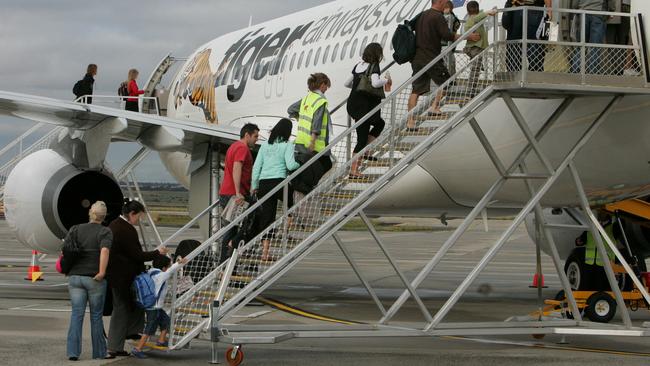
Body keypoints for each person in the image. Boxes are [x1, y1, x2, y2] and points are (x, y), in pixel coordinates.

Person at [106, 199, 169, 358]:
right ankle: (114, 346)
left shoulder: (114, 225)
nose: (138, 221)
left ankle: (130, 334)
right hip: (123, 278)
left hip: (117, 276)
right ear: (132, 214)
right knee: (121, 310)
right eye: (138, 217)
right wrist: (157, 253)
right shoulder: (125, 229)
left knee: (132, 306)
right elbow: (137, 255)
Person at [407, 0, 473, 129]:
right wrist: (467, 36)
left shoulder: (422, 15)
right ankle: (434, 107)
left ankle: (410, 121)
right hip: (431, 58)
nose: (446, 4)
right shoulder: (437, 16)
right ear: (440, 2)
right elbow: (447, 35)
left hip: (418, 58)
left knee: (416, 90)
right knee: (448, 83)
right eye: (445, 2)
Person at [65, 201, 113, 361]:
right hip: (93, 278)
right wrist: (101, 272)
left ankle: (73, 352)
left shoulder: (76, 229)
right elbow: (104, 251)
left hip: (75, 276)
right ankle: (99, 352)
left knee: (76, 315)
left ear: (90, 213)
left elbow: (66, 249)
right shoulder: (105, 232)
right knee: (96, 316)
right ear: (104, 216)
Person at [252, 118, 301, 261]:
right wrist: (300, 164)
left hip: (263, 184)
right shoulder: (287, 145)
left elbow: (256, 168)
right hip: (279, 182)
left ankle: (265, 253)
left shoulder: (265, 145)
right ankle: (285, 229)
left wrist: (254, 186)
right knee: (293, 204)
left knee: (267, 218)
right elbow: (291, 165)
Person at [344, 43, 391, 177]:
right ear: (377, 54)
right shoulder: (374, 66)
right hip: (364, 106)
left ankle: (365, 151)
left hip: (354, 104)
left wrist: (359, 86)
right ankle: (354, 170)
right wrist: (386, 80)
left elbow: (347, 84)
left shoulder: (358, 66)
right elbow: (376, 83)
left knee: (379, 123)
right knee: (362, 139)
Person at [218, 123, 260, 264]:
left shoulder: (233, 146)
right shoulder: (242, 148)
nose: (257, 139)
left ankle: (228, 264)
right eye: (255, 136)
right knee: (255, 213)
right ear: (247, 135)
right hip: (234, 195)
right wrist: (237, 192)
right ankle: (224, 264)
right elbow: (237, 168)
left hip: (228, 193)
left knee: (232, 228)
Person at [131, 255, 182, 359]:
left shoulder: (150, 272)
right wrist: (180, 263)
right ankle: (138, 349)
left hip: (153, 306)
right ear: (163, 268)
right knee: (150, 327)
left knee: (166, 320)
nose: (168, 267)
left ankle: (161, 341)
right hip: (154, 306)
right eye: (168, 266)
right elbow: (170, 271)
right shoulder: (161, 275)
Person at [288, 73, 334, 175]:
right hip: (315, 145)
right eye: (326, 86)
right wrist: (312, 141)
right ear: (322, 84)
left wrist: (299, 118)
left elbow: (290, 109)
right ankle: (308, 187)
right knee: (326, 165)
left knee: (309, 168)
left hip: (301, 141)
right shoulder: (320, 101)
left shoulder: (306, 98)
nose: (326, 89)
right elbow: (317, 121)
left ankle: (306, 187)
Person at [502, 0, 552, 72]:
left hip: (533, 11)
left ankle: (534, 77)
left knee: (534, 49)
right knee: (515, 49)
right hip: (517, 10)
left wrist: (549, 11)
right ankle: (514, 75)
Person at [569, 0, 615, 74]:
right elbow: (611, 2)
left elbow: (575, 3)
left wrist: (576, 8)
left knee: (580, 45)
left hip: (583, 13)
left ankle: (575, 70)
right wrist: (612, 10)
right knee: (595, 46)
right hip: (598, 13)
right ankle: (593, 73)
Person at [464, 3, 498, 88]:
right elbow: (478, 17)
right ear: (478, 10)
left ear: (467, 11)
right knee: (476, 68)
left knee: (476, 66)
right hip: (476, 47)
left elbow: (478, 17)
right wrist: (489, 12)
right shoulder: (474, 18)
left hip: (472, 47)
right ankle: (471, 86)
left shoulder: (469, 19)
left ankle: (472, 84)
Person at [443, 1, 461, 75]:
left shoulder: (452, 17)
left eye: (447, 8)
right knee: (445, 63)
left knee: (451, 62)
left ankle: (452, 79)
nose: (445, 10)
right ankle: (448, 79)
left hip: (449, 43)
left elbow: (456, 25)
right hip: (443, 44)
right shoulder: (441, 16)